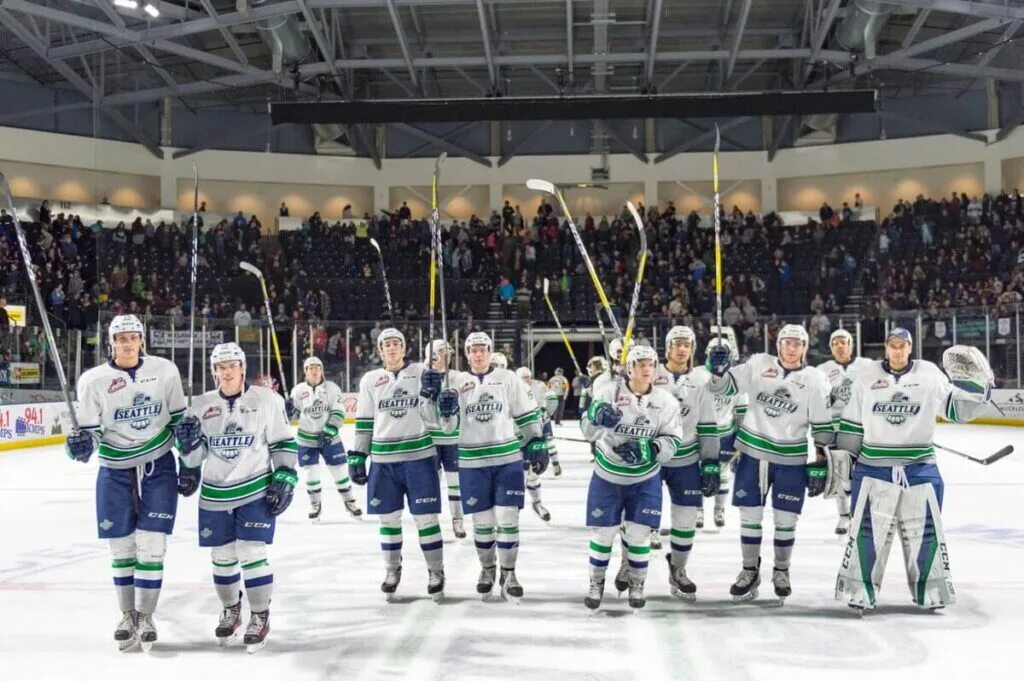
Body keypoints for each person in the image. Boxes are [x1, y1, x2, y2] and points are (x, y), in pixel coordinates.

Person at [834, 329, 991, 611]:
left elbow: (955, 409)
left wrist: (981, 392)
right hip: (873, 465)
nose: (897, 351)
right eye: (892, 346)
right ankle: (859, 589)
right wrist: (845, 462)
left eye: (902, 346)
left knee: (927, 529)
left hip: (919, 465)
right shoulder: (866, 377)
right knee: (867, 530)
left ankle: (930, 590)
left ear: (910, 347)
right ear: (886, 348)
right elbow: (851, 424)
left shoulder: (929, 374)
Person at [65, 314, 186, 651]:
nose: (128, 343)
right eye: (122, 338)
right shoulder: (93, 380)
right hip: (115, 468)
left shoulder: (165, 371)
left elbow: (179, 419)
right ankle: (127, 614)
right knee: (121, 546)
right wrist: (77, 446)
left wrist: (189, 456)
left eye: (133, 337)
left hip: (157, 463)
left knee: (152, 543)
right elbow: (87, 434)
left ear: (142, 340)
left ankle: (146, 616)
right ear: (112, 342)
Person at [174, 342, 298, 653]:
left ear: (243, 368)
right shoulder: (200, 405)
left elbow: (282, 442)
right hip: (215, 493)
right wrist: (187, 447)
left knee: (252, 551)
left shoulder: (267, 400)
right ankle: (231, 608)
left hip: (255, 488)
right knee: (223, 557)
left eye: (232, 365)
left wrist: (284, 476)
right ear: (213, 371)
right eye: (220, 366)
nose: (226, 371)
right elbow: (197, 456)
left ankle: (260, 615)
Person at [706, 323, 833, 604]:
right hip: (753, 454)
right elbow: (722, 388)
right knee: (750, 517)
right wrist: (717, 369)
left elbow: (822, 424)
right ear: (778, 345)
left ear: (804, 348)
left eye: (797, 343)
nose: (791, 348)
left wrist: (822, 458)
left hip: (791, 459)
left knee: (786, 520)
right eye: (787, 342)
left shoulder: (815, 379)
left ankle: (781, 571)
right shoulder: (758, 365)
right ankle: (749, 570)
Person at [349, 328, 458, 602]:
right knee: (388, 519)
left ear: (405, 347)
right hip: (384, 461)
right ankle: (392, 570)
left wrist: (436, 394)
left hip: (419, 457)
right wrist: (358, 454)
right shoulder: (370, 380)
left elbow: (436, 417)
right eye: (386, 344)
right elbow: (364, 422)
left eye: (397, 343)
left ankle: (436, 572)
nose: (392, 347)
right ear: (380, 349)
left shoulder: (422, 371)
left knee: (426, 519)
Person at [581, 345, 683, 612]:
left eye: (651, 364)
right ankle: (596, 582)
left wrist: (651, 449)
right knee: (603, 535)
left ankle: (637, 584)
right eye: (640, 364)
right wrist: (595, 416)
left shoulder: (667, 401)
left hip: (644, 479)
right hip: (607, 476)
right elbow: (587, 431)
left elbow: (673, 440)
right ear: (629, 368)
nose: (647, 369)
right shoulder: (607, 393)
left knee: (638, 536)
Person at [447, 332, 547, 602]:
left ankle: (510, 573)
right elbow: (445, 426)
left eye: (483, 349)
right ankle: (488, 570)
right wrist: (443, 408)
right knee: (482, 522)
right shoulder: (455, 382)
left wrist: (536, 441)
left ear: (490, 352)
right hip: (472, 462)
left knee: (507, 518)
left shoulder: (507, 378)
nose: (478, 355)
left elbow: (526, 415)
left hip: (507, 460)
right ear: (466, 353)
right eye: (473, 350)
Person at [652, 326, 719, 600]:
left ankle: (678, 569)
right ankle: (628, 565)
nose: (682, 349)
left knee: (687, 519)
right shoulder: (651, 373)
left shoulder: (702, 380)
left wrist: (711, 462)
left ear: (693, 349)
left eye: (687, 345)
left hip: (687, 459)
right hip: (652, 459)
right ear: (667, 348)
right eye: (677, 344)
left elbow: (708, 424)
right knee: (640, 519)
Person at [289, 356, 362, 522]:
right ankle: (315, 504)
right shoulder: (298, 391)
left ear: (322, 370)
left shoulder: (332, 388)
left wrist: (329, 430)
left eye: (317, 367)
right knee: (311, 474)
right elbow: (294, 415)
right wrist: (288, 411)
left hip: (330, 439)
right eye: (310, 368)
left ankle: (350, 502)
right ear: (305, 372)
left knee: (340, 472)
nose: (314, 371)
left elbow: (339, 412)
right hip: (306, 440)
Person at [816, 328, 872, 535]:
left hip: (862, 429)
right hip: (836, 431)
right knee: (841, 475)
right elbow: (816, 405)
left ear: (850, 344)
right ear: (831, 347)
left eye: (843, 342)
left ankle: (863, 515)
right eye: (835, 343)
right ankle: (843, 516)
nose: (840, 346)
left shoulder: (867, 366)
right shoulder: (822, 370)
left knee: (866, 474)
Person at [426, 339, 466, 539]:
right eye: (441, 353)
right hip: (429, 439)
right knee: (430, 483)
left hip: (452, 438)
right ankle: (432, 522)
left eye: (447, 353)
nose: (445, 357)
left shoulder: (458, 377)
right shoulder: (422, 376)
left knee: (455, 482)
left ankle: (458, 519)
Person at [515, 365, 559, 521]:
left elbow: (552, 397)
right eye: (523, 378)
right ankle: (513, 507)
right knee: (518, 475)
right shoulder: (510, 389)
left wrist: (545, 412)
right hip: (516, 439)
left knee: (535, 471)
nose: (527, 380)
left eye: (528, 377)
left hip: (534, 436)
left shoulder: (539, 386)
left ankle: (537, 503)